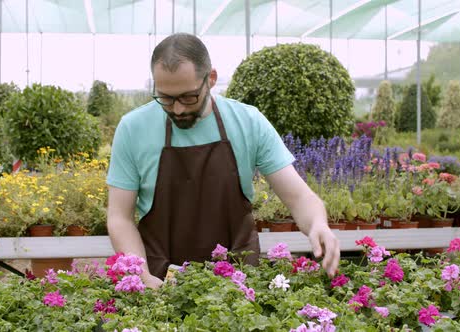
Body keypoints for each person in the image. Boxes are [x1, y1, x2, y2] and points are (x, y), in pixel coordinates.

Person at [106, 33, 339, 289]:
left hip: (236, 283)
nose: (178, 109)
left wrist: (318, 224)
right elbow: (120, 217)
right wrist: (142, 276)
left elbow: (299, 197)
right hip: (159, 281)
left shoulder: (248, 121)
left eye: (188, 97)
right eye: (166, 98)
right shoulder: (133, 128)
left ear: (211, 79)